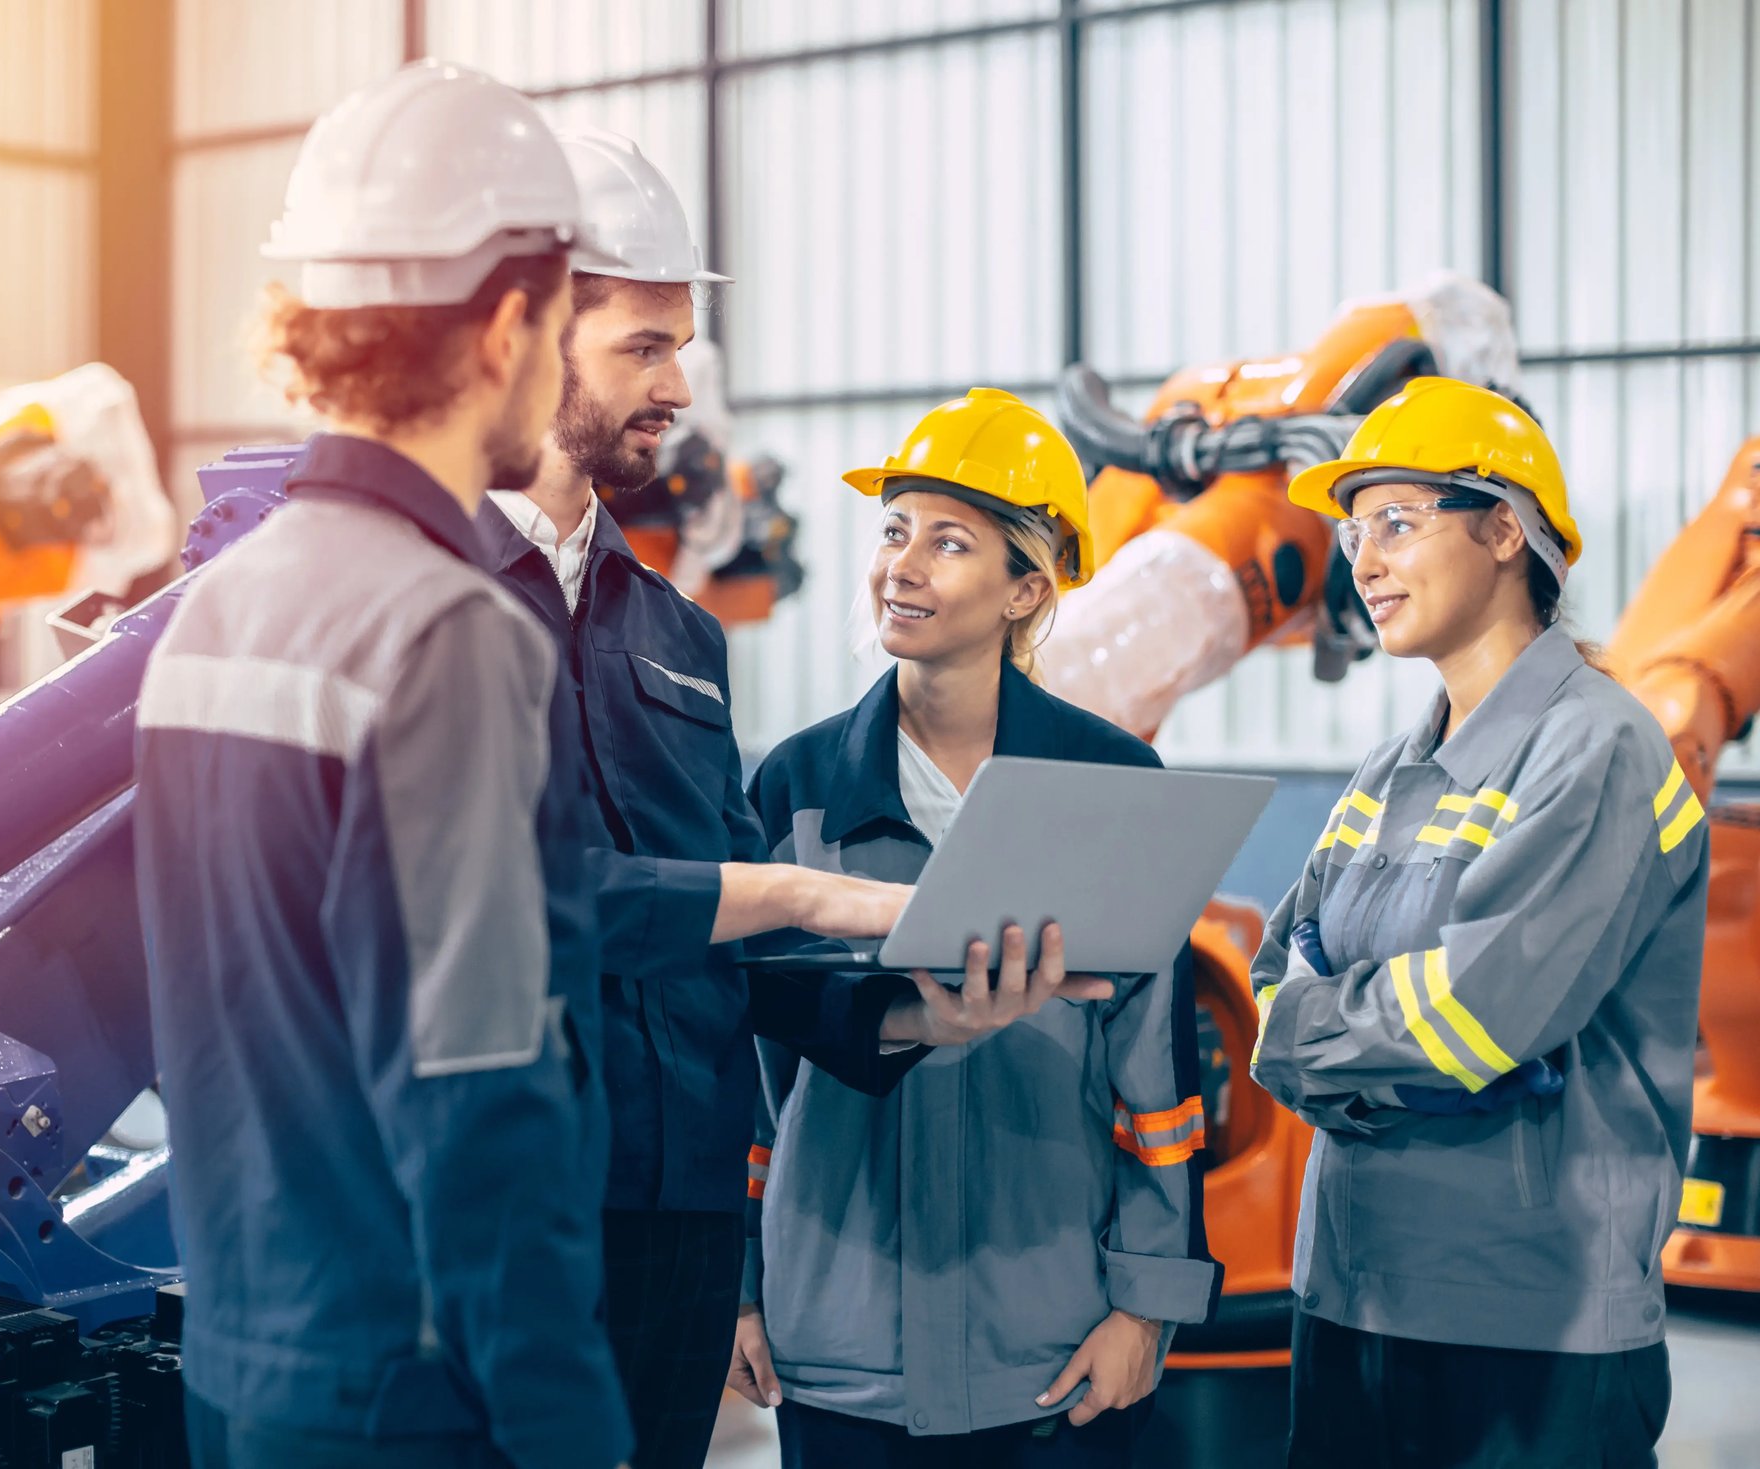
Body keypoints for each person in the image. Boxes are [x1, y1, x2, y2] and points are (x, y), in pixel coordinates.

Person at [474, 133, 1091, 1469]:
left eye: (680, 346)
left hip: (676, 1222)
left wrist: (925, 1008)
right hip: (504, 1211)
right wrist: (813, 890)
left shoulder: (674, 639)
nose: (678, 387)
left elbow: (743, 962)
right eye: (644, 345)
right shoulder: (427, 603)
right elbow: (502, 903)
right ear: (531, 334)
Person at [134, 63, 633, 1469]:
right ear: (509, 323)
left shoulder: (214, 611)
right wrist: (570, 1426)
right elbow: (479, 1094)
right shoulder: (444, 632)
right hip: (412, 1398)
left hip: (243, 1368)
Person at [728, 388, 1221, 1468]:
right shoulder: (799, 787)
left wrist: (1144, 1307)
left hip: (1044, 1345)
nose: (901, 564)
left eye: (948, 543)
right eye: (894, 530)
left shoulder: (1109, 785)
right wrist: (739, 1289)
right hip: (840, 1340)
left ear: (1025, 590)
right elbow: (745, 1067)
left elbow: (1156, 1084)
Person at [1249, 377, 1709, 1469]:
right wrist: (1352, 1027)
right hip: (1349, 1293)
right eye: (1352, 530)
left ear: (1504, 528)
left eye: (1397, 522)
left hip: (1527, 1322)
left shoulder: (1594, 748)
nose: (1361, 560)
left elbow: (1475, 1013)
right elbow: (1277, 967)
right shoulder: (1388, 770)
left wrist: (1313, 1032)